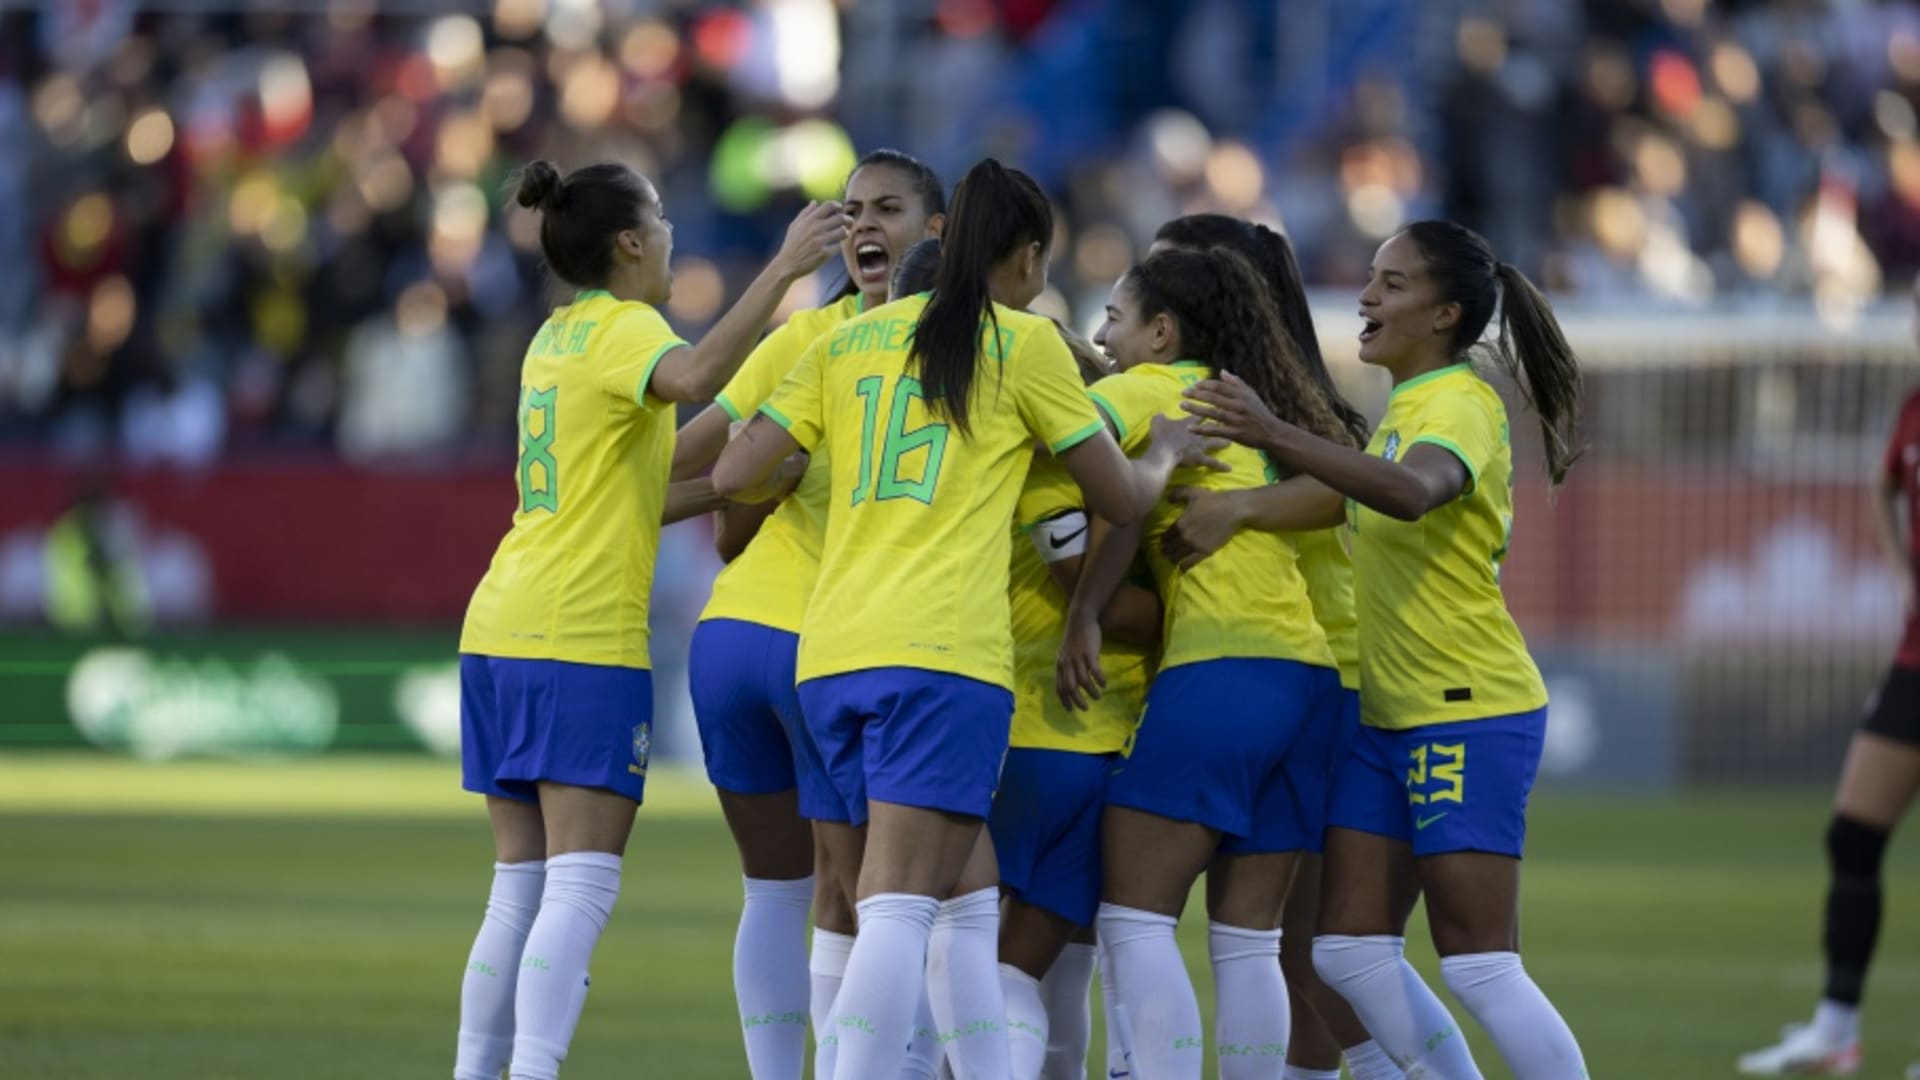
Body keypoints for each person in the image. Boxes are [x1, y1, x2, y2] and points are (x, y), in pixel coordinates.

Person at [712, 157, 1221, 1080]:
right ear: (1020, 259)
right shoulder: (1018, 346)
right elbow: (1117, 492)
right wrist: (1166, 454)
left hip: (830, 654)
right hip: (944, 657)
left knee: (965, 901)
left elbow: (730, 478)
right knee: (899, 906)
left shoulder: (840, 343)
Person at [451, 159, 847, 1080]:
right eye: (662, 219)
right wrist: (785, 269)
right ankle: (535, 1069)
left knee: (517, 887)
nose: (672, 234)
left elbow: (622, 498)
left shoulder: (555, 337)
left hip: (501, 625)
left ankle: (480, 1069)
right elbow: (703, 372)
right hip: (579, 635)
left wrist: (742, 484)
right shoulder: (629, 330)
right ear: (630, 242)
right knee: (581, 883)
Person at [1182, 219, 1588, 1080]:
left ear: (1444, 314)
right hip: (1383, 715)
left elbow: (1410, 493)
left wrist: (1272, 434)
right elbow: (1352, 494)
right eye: (1370, 277)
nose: (1367, 297)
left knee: (1480, 963)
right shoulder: (1404, 407)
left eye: (1392, 284)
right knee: (1346, 954)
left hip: (1467, 706)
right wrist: (1245, 508)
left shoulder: (1463, 403)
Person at [669, 149, 946, 1080]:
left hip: (731, 642)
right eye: (853, 208)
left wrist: (739, 495)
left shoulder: (808, 340)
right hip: (841, 648)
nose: (865, 225)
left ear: (936, 230)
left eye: (889, 209)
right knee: (884, 898)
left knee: (779, 891)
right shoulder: (980, 348)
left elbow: (689, 472)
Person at [1060, 246, 1354, 1080]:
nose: (1102, 334)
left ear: (1161, 329)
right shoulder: (1230, 401)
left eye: (1114, 317)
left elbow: (1047, 440)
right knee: (1248, 937)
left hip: (1220, 666)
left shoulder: (1145, 390)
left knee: (1134, 918)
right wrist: (1088, 605)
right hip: (1307, 675)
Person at [1149, 214, 1403, 1080]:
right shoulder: (1296, 400)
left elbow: (1342, 491)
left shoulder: (1272, 411)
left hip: (1314, 683)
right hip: (1318, 684)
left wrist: (1240, 509)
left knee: (1302, 948)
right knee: (1296, 950)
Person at [1736, 289, 1920, 1079]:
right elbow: (1885, 486)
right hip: (1916, 659)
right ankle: (1836, 1032)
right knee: (1853, 835)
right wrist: (1900, 567)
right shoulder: (1914, 409)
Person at [991, 317, 1162, 1080]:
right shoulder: (1048, 481)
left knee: (1053, 959)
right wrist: (1198, 620)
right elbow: (1103, 608)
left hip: (1048, 738)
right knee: (1011, 968)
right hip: (1063, 735)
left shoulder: (1028, 470)